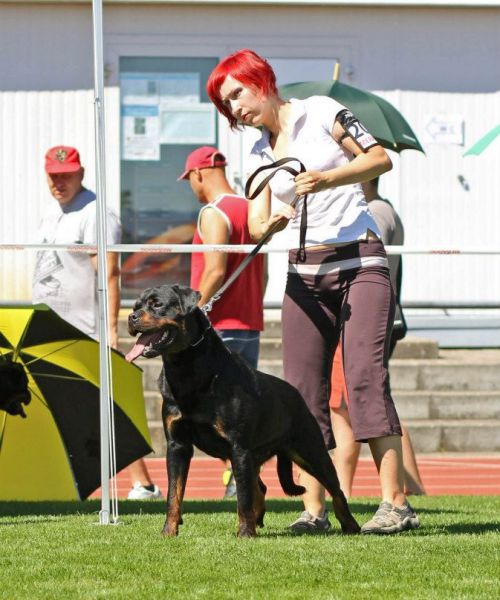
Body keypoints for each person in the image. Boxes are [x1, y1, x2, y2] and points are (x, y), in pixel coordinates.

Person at [207, 49, 420, 534]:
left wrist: (325, 179)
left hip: (361, 262)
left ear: (261, 81)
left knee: (365, 379)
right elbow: (257, 222)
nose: (235, 108)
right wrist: (272, 221)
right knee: (301, 394)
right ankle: (314, 510)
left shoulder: (321, 112)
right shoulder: (258, 154)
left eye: (237, 94)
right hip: (303, 273)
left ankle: (396, 504)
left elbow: (378, 159)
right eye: (226, 104)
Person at [33, 145, 161, 500]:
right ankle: (69, 483)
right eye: (53, 176)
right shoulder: (52, 211)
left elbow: (110, 275)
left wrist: (110, 330)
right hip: (50, 326)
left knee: (104, 408)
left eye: (66, 176)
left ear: (81, 174)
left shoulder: (95, 213)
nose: (58, 182)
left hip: (84, 328)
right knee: (70, 409)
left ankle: (143, 484)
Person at [330, 177, 426, 498]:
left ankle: (399, 489)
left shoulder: (376, 210)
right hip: (373, 318)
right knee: (370, 401)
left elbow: (369, 250)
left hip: (369, 319)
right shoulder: (378, 208)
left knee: (360, 405)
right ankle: (410, 487)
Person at [179, 145, 265, 498]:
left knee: (210, 411)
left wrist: (190, 314)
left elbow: (214, 270)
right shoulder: (251, 209)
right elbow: (263, 274)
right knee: (243, 409)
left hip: (217, 325)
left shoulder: (213, 212)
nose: (192, 187)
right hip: (249, 322)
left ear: (198, 174)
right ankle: (245, 478)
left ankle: (236, 478)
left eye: (189, 180)